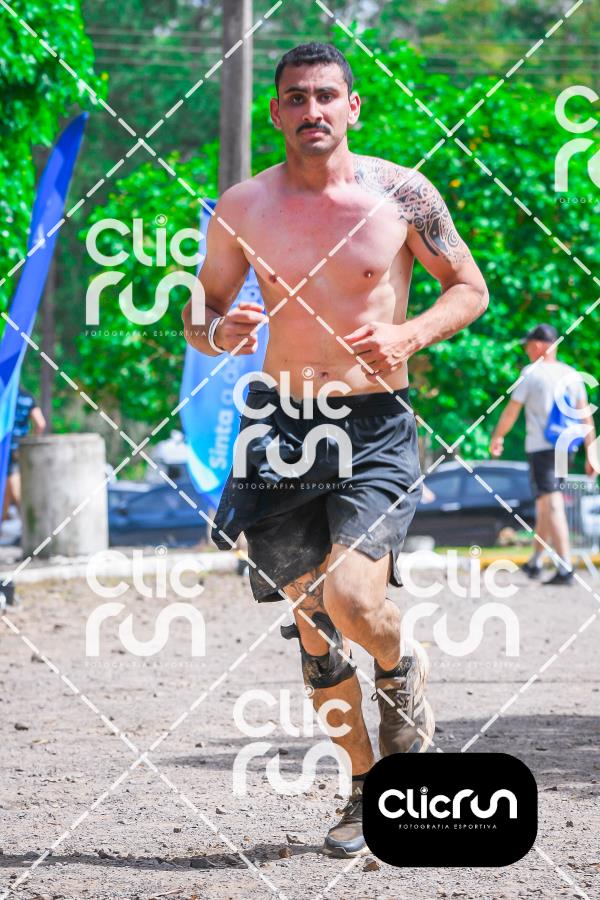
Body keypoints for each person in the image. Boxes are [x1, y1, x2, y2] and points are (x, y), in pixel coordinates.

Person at [183, 42, 488, 857]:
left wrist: (410, 334)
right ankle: (365, 789)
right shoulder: (243, 206)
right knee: (314, 624)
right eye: (296, 97)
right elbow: (201, 311)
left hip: (375, 421)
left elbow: (470, 288)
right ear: (276, 112)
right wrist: (217, 331)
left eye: (326, 95)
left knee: (353, 601)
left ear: (352, 106)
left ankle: (400, 663)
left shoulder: (403, 194)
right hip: (281, 427)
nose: (312, 109)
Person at [490, 323, 597, 585]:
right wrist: (591, 453)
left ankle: (565, 567)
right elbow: (585, 417)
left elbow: (512, 410)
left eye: (529, 346)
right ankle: (536, 562)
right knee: (544, 504)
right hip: (566, 448)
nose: (527, 350)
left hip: (542, 448)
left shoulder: (531, 372)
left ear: (539, 346)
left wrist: (498, 436)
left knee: (552, 502)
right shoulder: (572, 374)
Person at [2, 387, 46, 521]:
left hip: (6, 448)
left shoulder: (4, 395)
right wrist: (30, 445)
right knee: (8, 486)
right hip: (21, 447)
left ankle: (31, 523)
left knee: (14, 488)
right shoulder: (27, 397)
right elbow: (40, 423)